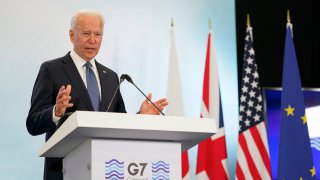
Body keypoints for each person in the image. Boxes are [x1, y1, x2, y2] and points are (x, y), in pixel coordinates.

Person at [26, 10, 168, 180]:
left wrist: (141, 117)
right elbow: (33, 123)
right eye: (86, 33)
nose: (92, 40)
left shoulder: (111, 77)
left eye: (97, 34)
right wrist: (56, 111)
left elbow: (118, 123)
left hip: (106, 170)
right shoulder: (52, 70)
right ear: (72, 36)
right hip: (64, 171)